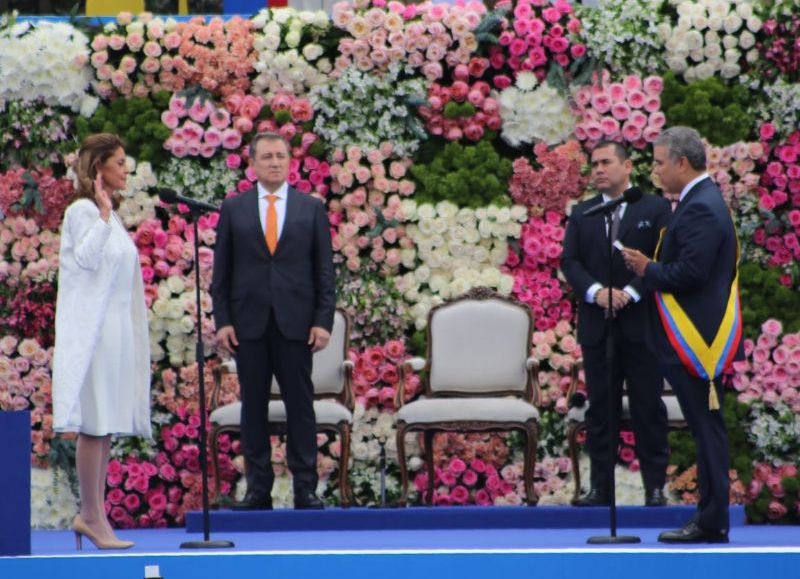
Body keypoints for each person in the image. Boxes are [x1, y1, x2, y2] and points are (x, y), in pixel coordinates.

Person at [623, 126, 742, 543]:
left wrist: (646, 269)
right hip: (692, 338)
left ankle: (712, 521)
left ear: (681, 162)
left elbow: (691, 273)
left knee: (707, 429)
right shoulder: (696, 202)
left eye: (658, 163)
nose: (654, 172)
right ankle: (711, 517)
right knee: (705, 427)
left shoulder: (701, 207)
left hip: (697, 340)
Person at [212, 132, 336, 510]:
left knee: (300, 405)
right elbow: (222, 272)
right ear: (252, 163)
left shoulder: (309, 208)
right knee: (253, 407)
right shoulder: (234, 209)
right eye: (267, 156)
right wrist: (223, 320)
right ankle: (258, 489)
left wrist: (322, 321)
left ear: (290, 161)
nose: (275, 162)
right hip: (248, 324)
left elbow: (324, 272)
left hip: (296, 324)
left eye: (281, 155)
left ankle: (305, 488)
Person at [52, 133, 151, 550]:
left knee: (106, 424)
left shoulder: (108, 214)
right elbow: (84, 259)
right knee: (94, 425)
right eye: (120, 163)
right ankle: (90, 515)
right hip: (93, 334)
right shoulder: (81, 211)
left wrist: (109, 215)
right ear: (99, 170)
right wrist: (104, 213)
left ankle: (95, 514)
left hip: (116, 333)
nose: (126, 170)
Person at [561, 141, 672, 507]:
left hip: (640, 325)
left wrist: (630, 293)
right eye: (593, 164)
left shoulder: (654, 208)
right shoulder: (583, 212)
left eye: (606, 162)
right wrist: (596, 292)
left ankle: (655, 487)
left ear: (627, 166)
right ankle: (600, 489)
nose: (598, 169)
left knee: (647, 406)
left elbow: (664, 258)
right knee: (601, 409)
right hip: (599, 325)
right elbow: (571, 263)